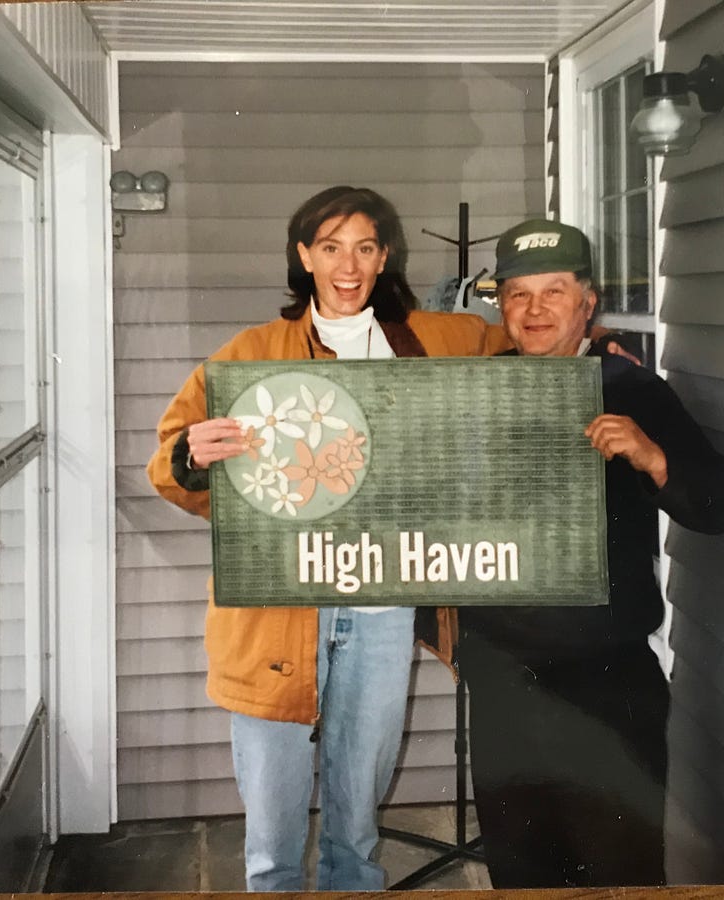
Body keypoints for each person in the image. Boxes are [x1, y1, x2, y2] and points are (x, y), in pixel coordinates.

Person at [146, 185, 509, 891]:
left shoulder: (432, 340)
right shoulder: (253, 353)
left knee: (359, 807)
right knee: (273, 813)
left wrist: (591, 344)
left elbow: (524, 347)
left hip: (383, 604)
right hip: (279, 610)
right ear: (304, 255)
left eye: (365, 247)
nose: (349, 265)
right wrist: (191, 457)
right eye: (332, 247)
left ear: (385, 257)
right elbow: (170, 459)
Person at [457, 219, 724, 888]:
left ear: (587, 302)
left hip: (607, 683)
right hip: (503, 681)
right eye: (517, 294)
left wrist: (651, 455)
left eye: (553, 291)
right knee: (521, 872)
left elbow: (713, 508)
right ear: (501, 306)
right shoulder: (470, 391)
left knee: (621, 871)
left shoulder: (635, 390)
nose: (534, 310)